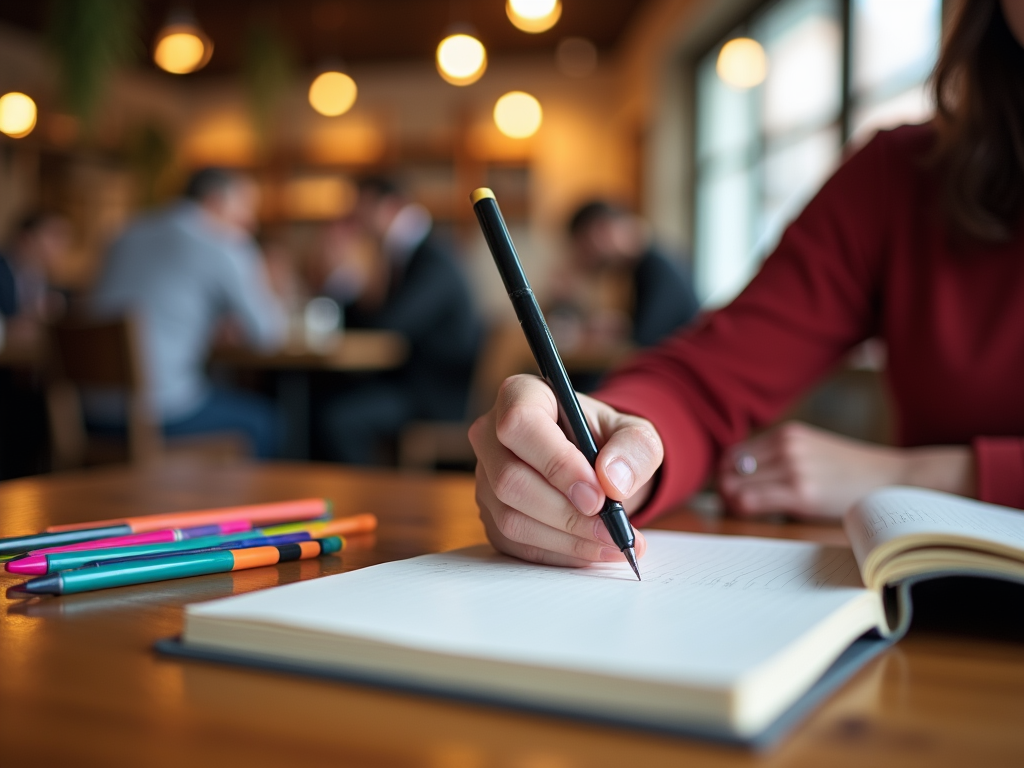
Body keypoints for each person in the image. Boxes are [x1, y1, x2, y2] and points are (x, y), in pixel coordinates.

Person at [469, 0, 1024, 567]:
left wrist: (922, 475)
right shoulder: (904, 179)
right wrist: (622, 443)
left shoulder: (656, 265)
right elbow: (706, 380)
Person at [88, 168, 287, 458]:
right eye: (244, 206)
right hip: (158, 415)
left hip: (91, 411)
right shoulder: (223, 243)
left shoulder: (125, 233)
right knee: (265, 422)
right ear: (216, 201)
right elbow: (269, 334)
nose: (251, 221)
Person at [317, 178, 482, 464]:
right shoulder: (412, 255)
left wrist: (344, 282)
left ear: (391, 207)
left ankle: (364, 498)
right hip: (415, 384)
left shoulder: (434, 258)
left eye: (362, 212)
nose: (359, 223)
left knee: (339, 418)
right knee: (326, 398)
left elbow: (390, 324)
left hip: (436, 395)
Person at [554, 200, 699, 348]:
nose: (585, 259)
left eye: (584, 248)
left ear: (600, 231)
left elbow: (643, 341)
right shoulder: (646, 266)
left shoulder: (658, 270)